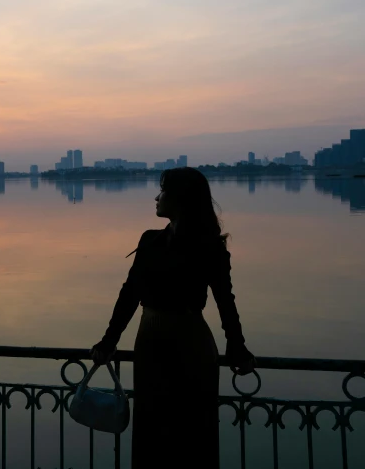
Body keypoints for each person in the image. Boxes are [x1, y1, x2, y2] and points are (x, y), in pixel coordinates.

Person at [90, 166, 256, 469]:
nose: (157, 197)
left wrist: (237, 346)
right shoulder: (150, 240)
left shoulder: (210, 248)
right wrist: (108, 341)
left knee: (193, 433)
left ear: (180, 198)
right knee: (151, 430)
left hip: (191, 345)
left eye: (163, 190)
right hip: (150, 343)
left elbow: (224, 301)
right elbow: (129, 295)